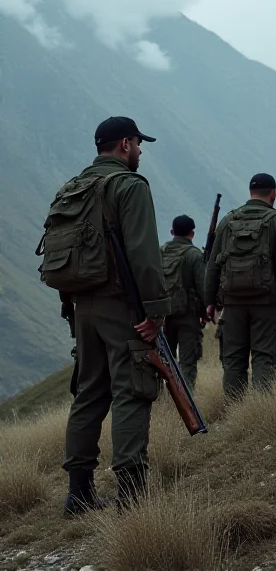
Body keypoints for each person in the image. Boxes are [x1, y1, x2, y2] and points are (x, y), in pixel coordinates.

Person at [49, 117, 170, 514]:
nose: (140, 151)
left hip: (82, 308)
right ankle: (132, 495)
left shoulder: (73, 187)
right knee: (133, 391)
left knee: (89, 395)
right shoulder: (128, 186)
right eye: (138, 143)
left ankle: (78, 493)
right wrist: (155, 312)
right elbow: (145, 257)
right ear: (123, 144)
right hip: (123, 309)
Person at [204, 173, 276, 398]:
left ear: (250, 193)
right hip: (265, 303)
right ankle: (260, 409)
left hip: (232, 303)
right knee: (264, 357)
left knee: (234, 359)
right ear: (274, 195)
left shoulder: (227, 221)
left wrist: (209, 301)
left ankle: (235, 412)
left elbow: (212, 265)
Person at [161, 214, 206, 389]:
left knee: (167, 362)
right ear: (192, 233)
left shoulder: (160, 252)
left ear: (172, 232)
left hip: (163, 315)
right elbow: (202, 287)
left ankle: (168, 400)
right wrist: (206, 311)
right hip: (188, 315)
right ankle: (187, 403)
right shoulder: (194, 255)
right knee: (187, 364)